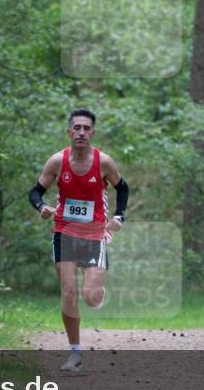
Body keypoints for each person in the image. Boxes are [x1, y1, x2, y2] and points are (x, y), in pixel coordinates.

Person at [28, 108, 129, 372]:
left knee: (91, 297)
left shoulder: (104, 162)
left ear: (92, 133)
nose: (81, 132)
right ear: (69, 132)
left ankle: (98, 293)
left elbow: (123, 187)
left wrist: (119, 216)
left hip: (95, 233)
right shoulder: (57, 162)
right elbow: (36, 191)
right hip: (64, 232)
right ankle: (75, 353)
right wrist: (42, 208)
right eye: (77, 128)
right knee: (69, 293)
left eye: (86, 128)